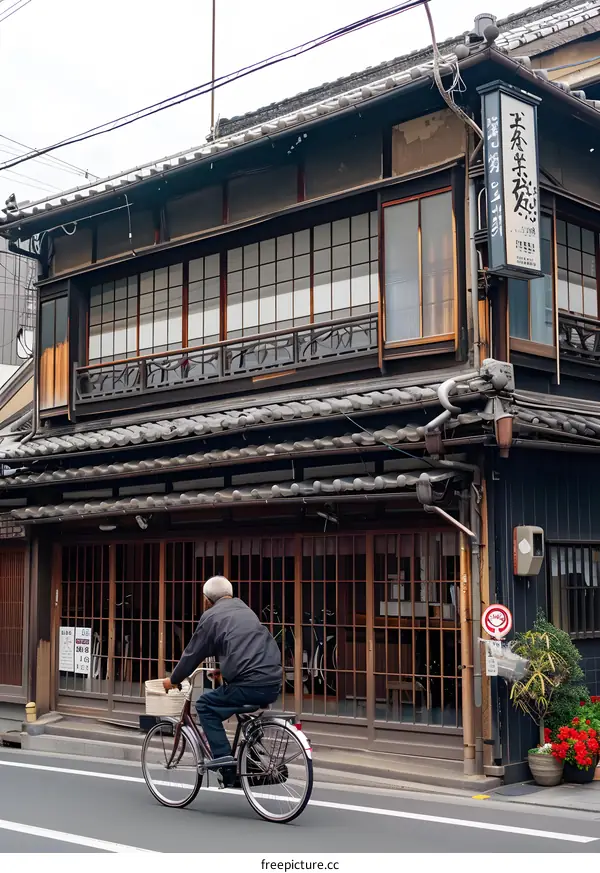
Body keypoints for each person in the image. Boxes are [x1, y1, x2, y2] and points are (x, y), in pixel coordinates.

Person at [163, 575, 282, 787]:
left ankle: (226, 768)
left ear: (207, 600)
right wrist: (224, 670)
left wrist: (173, 679)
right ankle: (252, 757)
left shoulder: (211, 617)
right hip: (272, 681)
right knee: (236, 704)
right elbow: (246, 649)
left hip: (248, 683)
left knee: (205, 705)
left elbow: (192, 654)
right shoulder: (246, 611)